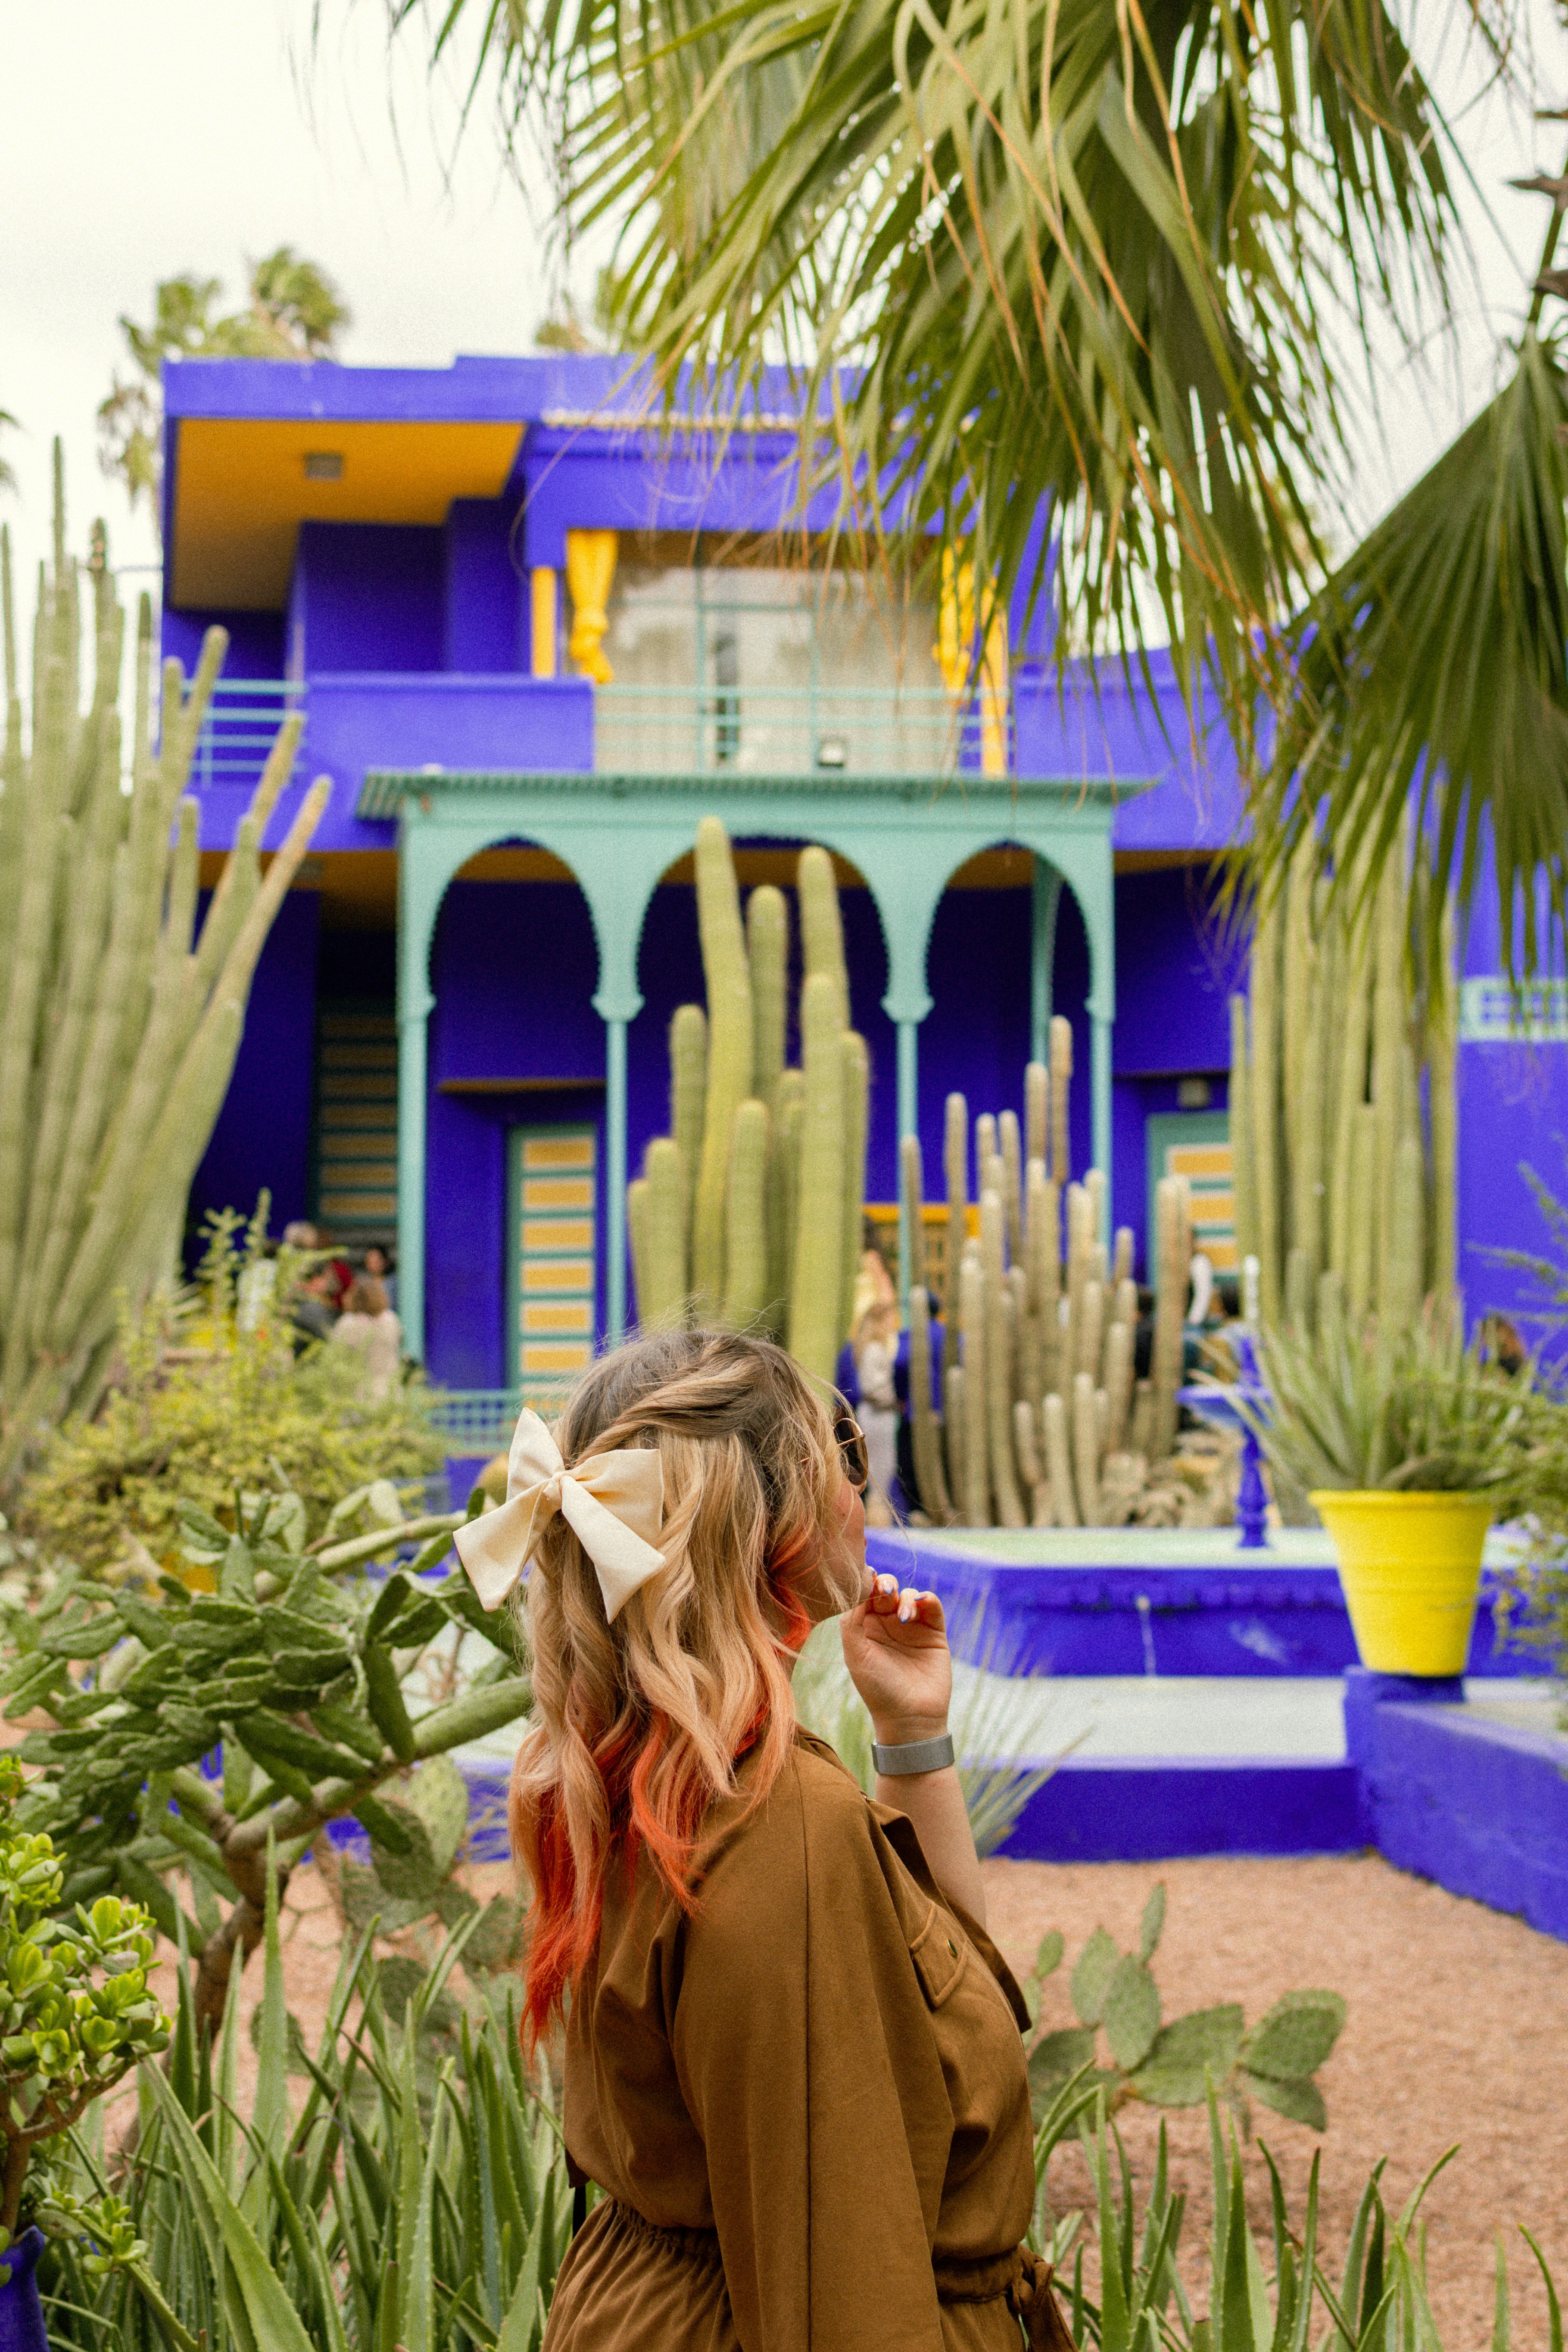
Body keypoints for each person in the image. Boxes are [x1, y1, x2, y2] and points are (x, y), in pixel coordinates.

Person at [453, 1328, 1072, 2352]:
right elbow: (839, 2280)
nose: (861, 1486)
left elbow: (921, 2005)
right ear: (775, 1516)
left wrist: (911, 1736)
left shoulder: (652, 1771)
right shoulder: (778, 1822)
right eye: (844, 1449)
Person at [330, 1275, 402, 1398]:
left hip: (359, 1393)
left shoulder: (349, 1323)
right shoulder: (391, 1319)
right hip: (390, 1391)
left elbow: (335, 1358)